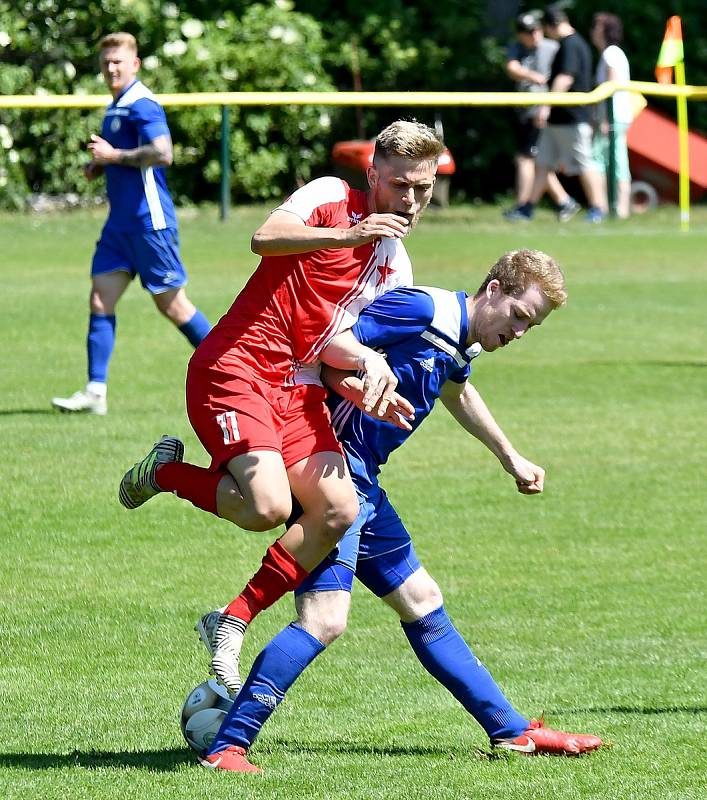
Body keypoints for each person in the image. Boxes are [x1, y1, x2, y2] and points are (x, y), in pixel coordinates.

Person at [196, 250, 603, 772]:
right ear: (495, 290)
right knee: (324, 620)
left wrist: (510, 456)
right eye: (520, 315)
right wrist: (354, 379)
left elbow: (456, 386)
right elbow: (325, 345)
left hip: (365, 481)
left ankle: (511, 731)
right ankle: (228, 745)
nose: (520, 332)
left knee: (421, 598)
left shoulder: (457, 337)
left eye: (533, 326)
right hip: (331, 476)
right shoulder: (421, 310)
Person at [118, 121, 446, 685]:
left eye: (423, 187)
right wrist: (349, 236)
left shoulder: (396, 269)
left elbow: (334, 350)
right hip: (236, 365)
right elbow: (265, 236)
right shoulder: (330, 198)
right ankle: (168, 473)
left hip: (298, 390)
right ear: (373, 175)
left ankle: (231, 618)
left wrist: (369, 384)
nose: (410, 200)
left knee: (339, 510)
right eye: (398, 184)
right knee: (268, 507)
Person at [52, 32, 211, 416]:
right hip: (120, 226)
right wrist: (99, 164)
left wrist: (114, 154)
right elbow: (120, 158)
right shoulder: (117, 106)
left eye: (118, 62)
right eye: (106, 62)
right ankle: (95, 392)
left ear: (134, 64)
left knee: (173, 306)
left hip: (149, 222)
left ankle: (231, 368)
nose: (111, 68)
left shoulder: (142, 103)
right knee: (99, 298)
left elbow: (163, 152)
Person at [505, 4, 606, 224]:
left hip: (572, 116)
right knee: (543, 162)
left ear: (551, 26)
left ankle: (598, 208)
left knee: (583, 163)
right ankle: (527, 208)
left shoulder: (570, 44)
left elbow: (565, 78)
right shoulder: (572, 43)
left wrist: (546, 104)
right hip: (558, 119)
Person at [503, 12, 566, 218]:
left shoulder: (552, 47)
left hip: (542, 111)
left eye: (536, 30)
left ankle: (523, 206)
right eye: (529, 32)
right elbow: (512, 67)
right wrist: (532, 76)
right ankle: (564, 201)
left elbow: (563, 76)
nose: (534, 35)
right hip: (524, 110)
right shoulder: (517, 47)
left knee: (526, 159)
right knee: (536, 160)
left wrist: (546, 106)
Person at [590, 12, 632, 219]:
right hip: (617, 116)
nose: (593, 31)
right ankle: (618, 209)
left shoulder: (611, 54)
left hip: (613, 117)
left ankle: (604, 208)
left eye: (597, 27)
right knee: (616, 161)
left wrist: (605, 119)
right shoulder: (613, 53)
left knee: (598, 160)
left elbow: (611, 88)